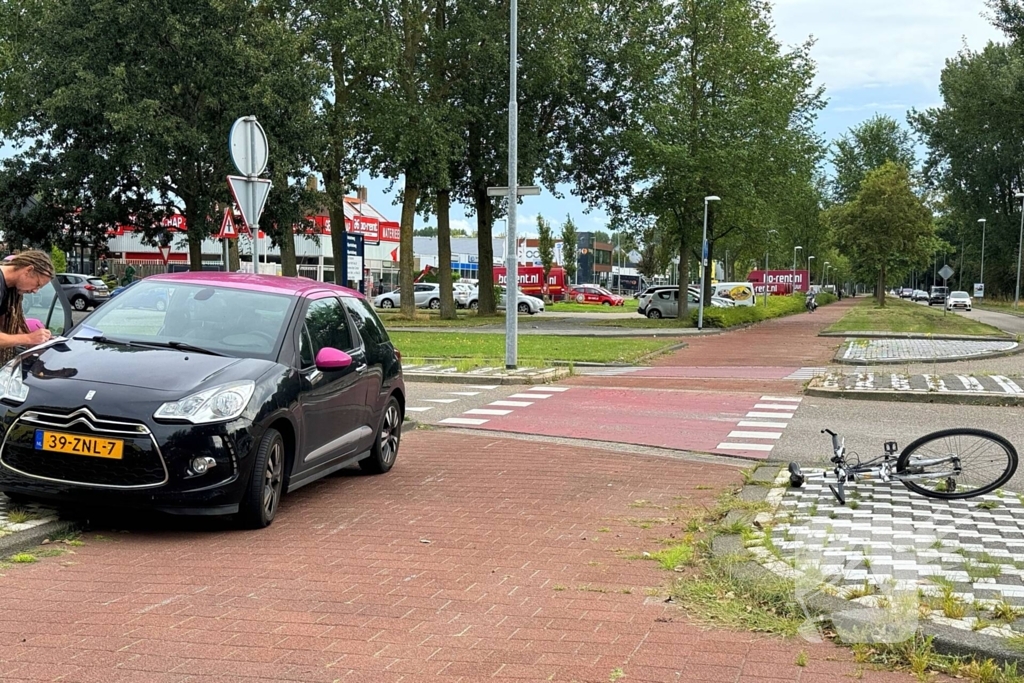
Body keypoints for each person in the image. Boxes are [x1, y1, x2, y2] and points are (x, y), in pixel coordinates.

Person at [0, 250, 56, 364]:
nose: (35, 291)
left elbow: (4, 326)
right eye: (38, 284)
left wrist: (36, 340)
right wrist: (28, 338)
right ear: (28, 270)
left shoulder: (9, 288)